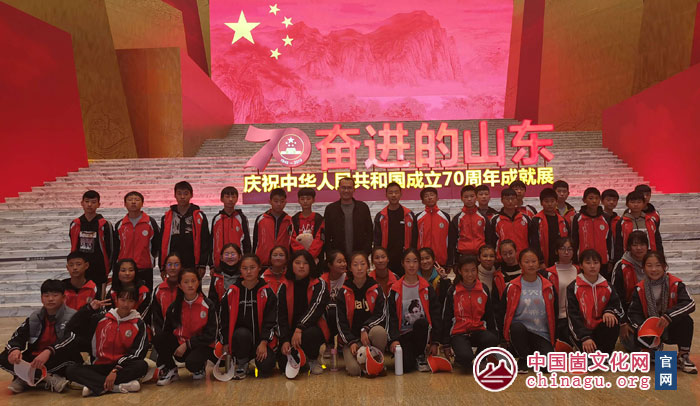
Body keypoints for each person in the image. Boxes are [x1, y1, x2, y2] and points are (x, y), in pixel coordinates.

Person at [66, 287, 149, 396]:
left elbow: (137, 353)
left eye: (130, 301)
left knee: (141, 365)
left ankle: (94, 384)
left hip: (122, 367)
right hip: (99, 366)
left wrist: (115, 370)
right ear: (116, 299)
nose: (126, 304)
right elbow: (71, 327)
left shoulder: (139, 324)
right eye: (123, 300)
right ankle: (116, 387)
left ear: (135, 303)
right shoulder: (100, 319)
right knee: (71, 370)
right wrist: (89, 309)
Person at [1, 280, 80, 393]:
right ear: (41, 298)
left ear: (63, 297)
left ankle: (25, 378)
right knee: (5, 356)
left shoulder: (72, 316)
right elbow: (18, 336)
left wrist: (49, 351)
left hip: (58, 356)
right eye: (46, 295)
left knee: (70, 360)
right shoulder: (35, 317)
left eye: (55, 295)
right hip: (36, 358)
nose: (50, 299)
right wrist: (14, 350)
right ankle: (47, 377)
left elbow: (71, 339)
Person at [627, 251, 696, 373]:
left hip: (671, 326)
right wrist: (643, 328)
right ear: (643, 268)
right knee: (637, 328)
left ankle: (683, 355)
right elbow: (633, 313)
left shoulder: (676, 284)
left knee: (686, 320)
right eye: (649, 265)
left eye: (658, 265)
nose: (654, 269)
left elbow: (690, 304)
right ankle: (649, 351)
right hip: (651, 329)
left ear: (664, 266)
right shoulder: (640, 288)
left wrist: (668, 316)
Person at [218, 254, 277, 379]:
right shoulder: (232, 292)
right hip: (241, 342)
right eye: (245, 268)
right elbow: (223, 320)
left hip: (261, 342)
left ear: (259, 268)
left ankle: (258, 359)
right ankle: (242, 362)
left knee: (266, 367)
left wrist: (264, 342)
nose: (248, 271)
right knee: (242, 334)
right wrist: (225, 342)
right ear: (240, 269)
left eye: (252, 267)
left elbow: (271, 320)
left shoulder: (267, 291)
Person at [154, 268, 217, 384]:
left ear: (198, 282)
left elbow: (211, 335)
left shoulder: (208, 305)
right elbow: (166, 332)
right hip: (180, 348)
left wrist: (187, 344)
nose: (190, 285)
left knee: (193, 363)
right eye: (186, 282)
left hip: (201, 346)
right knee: (159, 338)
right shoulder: (174, 307)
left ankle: (199, 367)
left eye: (193, 281)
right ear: (179, 285)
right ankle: (171, 369)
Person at [501, 249, 556, 373]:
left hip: (542, 334)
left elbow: (554, 312)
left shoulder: (548, 286)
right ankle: (524, 357)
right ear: (520, 264)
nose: (531, 265)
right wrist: (503, 339)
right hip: (521, 333)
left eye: (533, 261)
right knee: (516, 328)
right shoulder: (512, 286)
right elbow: (503, 312)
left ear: (538, 263)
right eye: (526, 262)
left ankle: (533, 355)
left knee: (548, 368)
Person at [387, 249, 441, 373]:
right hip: (403, 335)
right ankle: (411, 356)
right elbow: (391, 317)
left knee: (421, 323)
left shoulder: (427, 288)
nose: (411, 265)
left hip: (421, 334)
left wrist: (435, 342)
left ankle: (421, 355)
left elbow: (436, 315)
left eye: (415, 261)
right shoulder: (395, 289)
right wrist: (393, 339)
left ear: (419, 263)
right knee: (406, 367)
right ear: (402, 263)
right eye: (408, 261)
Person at [277, 250, 330, 375]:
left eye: (305, 263)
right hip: (291, 331)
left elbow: (315, 308)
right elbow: (280, 315)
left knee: (311, 334)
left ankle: (312, 359)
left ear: (311, 265)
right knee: (283, 364)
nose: (301, 266)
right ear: (291, 265)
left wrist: (300, 328)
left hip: (312, 328)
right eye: (297, 263)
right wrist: (284, 340)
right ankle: (302, 358)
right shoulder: (284, 286)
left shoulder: (319, 284)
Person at [442, 255, 498, 372]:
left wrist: (494, 342)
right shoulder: (453, 290)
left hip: (478, 330)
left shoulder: (483, 289)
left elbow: (489, 315)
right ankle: (461, 358)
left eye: (473, 270)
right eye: (466, 271)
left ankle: (480, 359)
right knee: (465, 359)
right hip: (459, 333)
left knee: (492, 338)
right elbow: (446, 318)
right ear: (460, 271)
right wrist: (446, 344)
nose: (470, 274)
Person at [335, 252, 388, 376]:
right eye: (355, 265)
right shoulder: (343, 291)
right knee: (354, 371)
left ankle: (377, 360)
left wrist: (365, 328)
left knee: (380, 332)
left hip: (370, 337)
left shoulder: (376, 288)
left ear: (368, 266)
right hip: (352, 340)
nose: (359, 268)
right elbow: (340, 322)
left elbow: (381, 314)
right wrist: (351, 342)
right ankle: (364, 362)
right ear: (350, 268)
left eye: (362, 264)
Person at [566, 249, 624, 355]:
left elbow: (618, 308)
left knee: (612, 320)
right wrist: (585, 337)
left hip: (600, 330)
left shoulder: (607, 286)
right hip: (581, 333)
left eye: (596, 263)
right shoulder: (573, 287)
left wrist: (609, 311)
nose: (592, 266)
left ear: (600, 265)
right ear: (581, 266)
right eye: (588, 263)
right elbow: (572, 316)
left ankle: (606, 354)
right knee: (589, 360)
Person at [113, 191, 161, 291]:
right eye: (130, 200)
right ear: (125, 204)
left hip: (145, 267)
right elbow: (116, 247)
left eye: (137, 200)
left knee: (145, 295)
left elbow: (157, 243)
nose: (133, 202)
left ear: (142, 203)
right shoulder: (120, 225)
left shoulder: (150, 223)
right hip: (124, 269)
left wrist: (150, 257)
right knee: (124, 295)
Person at [160, 181, 210, 276]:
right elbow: (161, 243)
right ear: (175, 195)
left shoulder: (199, 216)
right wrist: (162, 266)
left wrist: (202, 265)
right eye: (179, 193)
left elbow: (205, 241)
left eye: (186, 194)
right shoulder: (167, 217)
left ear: (191, 195)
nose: (182, 197)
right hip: (173, 264)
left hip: (193, 264)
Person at [69, 190, 113, 298]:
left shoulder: (105, 225)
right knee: (81, 298)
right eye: (87, 201)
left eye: (93, 202)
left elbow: (111, 248)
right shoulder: (75, 224)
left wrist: (108, 267)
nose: (89, 205)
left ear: (99, 204)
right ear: (82, 203)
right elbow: (73, 246)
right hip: (80, 269)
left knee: (99, 299)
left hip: (99, 268)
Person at [541, 237, 578, 346]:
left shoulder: (580, 270)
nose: (566, 252)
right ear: (556, 251)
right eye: (562, 249)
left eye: (570, 249)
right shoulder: (548, 273)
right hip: (557, 318)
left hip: (576, 317)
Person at [323, 177, 373, 258]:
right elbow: (327, 234)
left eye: (349, 188)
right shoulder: (330, 209)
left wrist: (366, 252)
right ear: (338, 189)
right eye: (343, 188)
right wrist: (330, 254)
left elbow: (369, 232)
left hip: (359, 256)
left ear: (354, 189)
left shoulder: (363, 207)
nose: (346, 191)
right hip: (337, 257)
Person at [374, 182, 415, 276]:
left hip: (405, 259)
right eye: (390, 192)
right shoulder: (381, 216)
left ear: (401, 194)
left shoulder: (409, 215)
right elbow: (377, 240)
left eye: (396, 192)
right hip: (386, 259)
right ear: (386, 195)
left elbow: (414, 238)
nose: (393, 195)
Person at [571, 187, 612, 278]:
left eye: (597, 198)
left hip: (602, 260)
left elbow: (609, 240)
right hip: (584, 260)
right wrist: (574, 260)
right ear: (584, 200)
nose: (594, 201)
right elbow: (574, 240)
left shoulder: (606, 218)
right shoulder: (578, 218)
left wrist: (611, 260)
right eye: (591, 198)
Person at [614, 190, 662, 264]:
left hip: (649, 258)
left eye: (639, 202)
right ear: (627, 204)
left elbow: (657, 241)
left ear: (644, 204)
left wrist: (660, 257)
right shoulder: (622, 222)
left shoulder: (650, 221)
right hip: (629, 259)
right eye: (632, 202)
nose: (636, 205)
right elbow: (618, 244)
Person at [210, 186, 251, 269]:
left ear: (237, 199)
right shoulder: (217, 219)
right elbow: (212, 241)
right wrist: (211, 265)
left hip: (238, 263)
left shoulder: (241, 218)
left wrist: (246, 260)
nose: (230, 199)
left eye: (233, 197)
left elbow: (246, 241)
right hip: (220, 263)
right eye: (227, 196)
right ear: (221, 199)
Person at [449, 185, 491, 263]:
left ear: (476, 197)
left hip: (481, 256)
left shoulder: (483, 217)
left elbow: (489, 239)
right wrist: (452, 261)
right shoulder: (457, 219)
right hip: (462, 256)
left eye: (472, 196)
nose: (469, 199)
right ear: (461, 198)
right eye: (466, 197)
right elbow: (452, 241)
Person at [529, 188, 570, 268]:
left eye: (552, 201)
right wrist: (540, 261)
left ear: (556, 202)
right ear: (541, 203)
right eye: (546, 201)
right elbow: (534, 243)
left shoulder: (563, 221)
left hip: (561, 260)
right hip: (543, 261)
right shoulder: (536, 220)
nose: (550, 204)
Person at [253, 188, 293, 267]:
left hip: (283, 264)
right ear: (270, 201)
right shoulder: (261, 219)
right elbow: (255, 241)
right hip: (263, 263)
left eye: (282, 201)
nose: (279, 204)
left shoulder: (290, 221)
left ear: (285, 202)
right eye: (276, 201)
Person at [414, 187, 451, 268]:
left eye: (432, 195)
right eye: (426, 196)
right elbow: (414, 239)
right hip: (423, 260)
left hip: (441, 260)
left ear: (437, 198)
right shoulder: (418, 217)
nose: (429, 197)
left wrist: (449, 261)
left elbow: (450, 240)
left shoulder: (445, 217)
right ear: (422, 201)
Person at [490, 188, 531, 257]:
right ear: (502, 200)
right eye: (507, 199)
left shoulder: (525, 218)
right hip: (503, 257)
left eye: (513, 199)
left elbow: (531, 239)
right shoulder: (495, 220)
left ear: (516, 200)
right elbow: (492, 241)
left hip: (523, 257)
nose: (510, 201)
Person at [290, 187, 325, 262]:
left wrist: (309, 256)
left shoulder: (319, 219)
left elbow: (319, 240)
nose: (305, 201)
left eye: (308, 199)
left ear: (313, 200)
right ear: (298, 200)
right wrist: (302, 255)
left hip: (315, 259)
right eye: (302, 199)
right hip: (298, 258)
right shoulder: (294, 219)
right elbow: (292, 240)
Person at [152, 253, 182, 337]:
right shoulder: (159, 290)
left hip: (184, 334)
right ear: (165, 267)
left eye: (176, 264)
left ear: (181, 267)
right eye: (169, 264)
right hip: (164, 334)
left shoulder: (186, 288)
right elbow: (156, 316)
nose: (172, 268)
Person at [320, 250, 347, 344]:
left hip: (345, 312)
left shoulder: (349, 278)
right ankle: (329, 342)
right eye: (339, 262)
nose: (343, 264)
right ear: (330, 265)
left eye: (344, 261)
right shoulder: (322, 280)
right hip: (327, 315)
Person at [208, 243, 242, 309]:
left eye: (233, 254)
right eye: (226, 254)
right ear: (221, 258)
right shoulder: (216, 277)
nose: (230, 257)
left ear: (239, 257)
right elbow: (212, 301)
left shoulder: (244, 276)